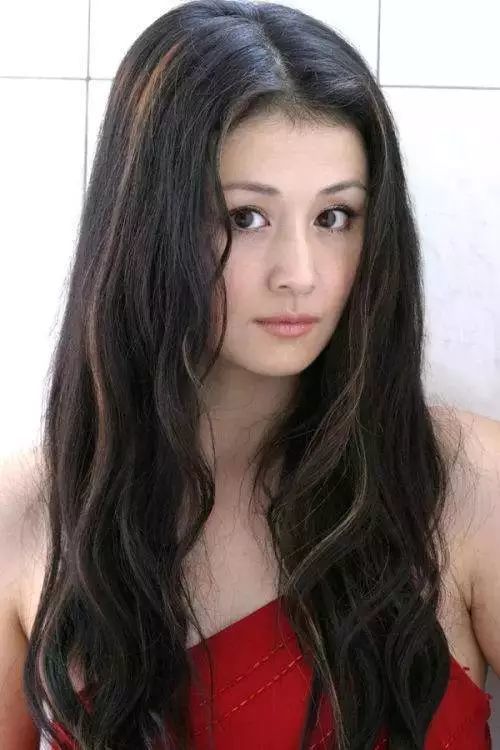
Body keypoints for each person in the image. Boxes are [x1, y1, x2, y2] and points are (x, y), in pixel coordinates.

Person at [0, 0, 499, 748]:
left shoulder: (468, 486)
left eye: (335, 217)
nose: (299, 273)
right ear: (148, 228)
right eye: (245, 218)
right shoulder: (29, 515)